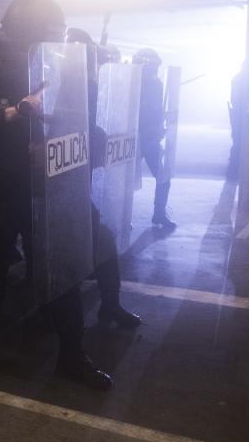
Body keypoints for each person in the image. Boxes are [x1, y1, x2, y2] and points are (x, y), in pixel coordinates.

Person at [0, 0, 113, 390]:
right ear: (27, 33)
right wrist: (11, 115)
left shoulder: (55, 61)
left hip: (47, 183)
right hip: (0, 186)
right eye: (49, 34)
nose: (56, 40)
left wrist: (72, 139)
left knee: (63, 273)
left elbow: (77, 117)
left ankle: (73, 355)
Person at [65, 27, 140, 329]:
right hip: (41, 186)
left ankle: (110, 305)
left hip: (72, 184)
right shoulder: (46, 83)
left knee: (103, 241)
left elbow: (91, 130)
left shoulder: (88, 87)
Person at [132, 48, 176, 230]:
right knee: (125, 181)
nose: (156, 69)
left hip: (150, 139)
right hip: (133, 138)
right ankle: (122, 217)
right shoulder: (132, 83)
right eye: (153, 65)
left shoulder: (157, 84)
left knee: (163, 176)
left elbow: (156, 110)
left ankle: (159, 213)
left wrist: (160, 124)